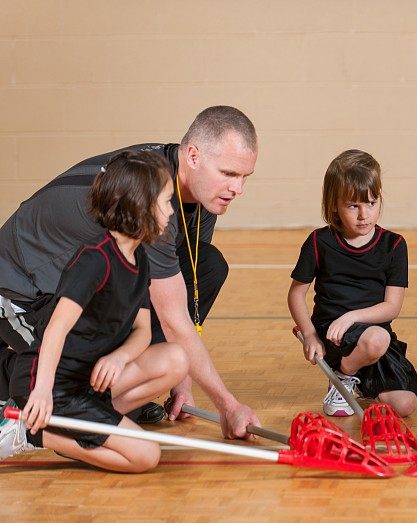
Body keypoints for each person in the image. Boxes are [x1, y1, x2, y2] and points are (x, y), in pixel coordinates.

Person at [0, 106, 259, 438]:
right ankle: (22, 402)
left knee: (208, 265)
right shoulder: (149, 201)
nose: (237, 189)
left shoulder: (199, 193)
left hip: (82, 289)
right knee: (59, 378)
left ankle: (105, 397)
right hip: (21, 291)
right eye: (228, 173)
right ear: (192, 155)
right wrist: (228, 406)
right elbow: (172, 317)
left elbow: (180, 289)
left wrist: (181, 382)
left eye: (244, 177)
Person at [0, 151, 186, 472]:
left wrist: (120, 357)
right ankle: (32, 433)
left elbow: (142, 330)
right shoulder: (94, 259)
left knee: (176, 359)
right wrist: (42, 391)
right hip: (53, 384)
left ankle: (82, 424)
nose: (172, 211)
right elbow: (56, 327)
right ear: (140, 206)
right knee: (145, 456)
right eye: (166, 202)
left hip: (88, 381)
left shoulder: (139, 259)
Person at [287, 149, 417, 417]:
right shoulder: (318, 242)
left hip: (372, 337)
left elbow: (392, 307)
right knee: (376, 338)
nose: (364, 215)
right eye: (353, 206)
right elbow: (295, 295)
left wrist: (352, 317)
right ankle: (343, 374)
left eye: (371, 203)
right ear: (334, 205)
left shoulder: (394, 245)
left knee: (405, 404)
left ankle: (357, 382)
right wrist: (310, 335)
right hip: (334, 337)